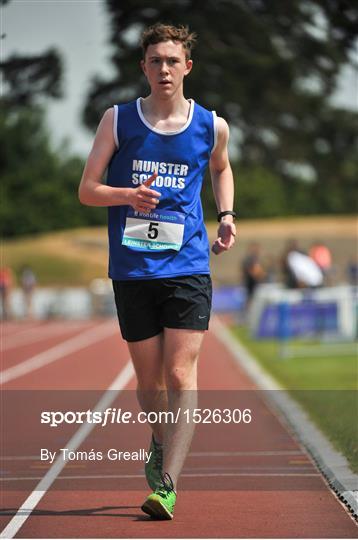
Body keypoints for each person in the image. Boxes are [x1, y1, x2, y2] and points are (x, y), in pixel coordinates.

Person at [79, 23, 236, 520]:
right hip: (132, 267)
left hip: (188, 264)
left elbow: (221, 167)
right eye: (155, 61)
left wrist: (226, 215)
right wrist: (128, 195)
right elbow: (87, 189)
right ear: (143, 68)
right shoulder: (118, 120)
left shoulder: (212, 125)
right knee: (149, 385)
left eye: (172, 60)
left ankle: (167, 483)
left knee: (178, 372)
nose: (164, 69)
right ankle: (158, 439)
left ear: (187, 67)